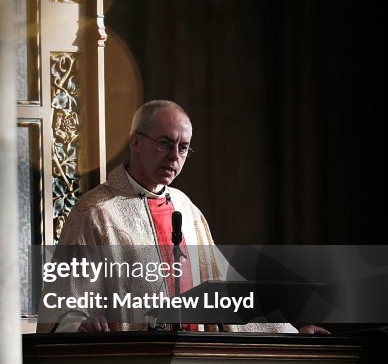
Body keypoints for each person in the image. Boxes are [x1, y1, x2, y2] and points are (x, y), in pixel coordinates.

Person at [39, 100, 327, 334]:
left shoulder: (186, 210)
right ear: (135, 142)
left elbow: (225, 291)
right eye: (165, 143)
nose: (174, 156)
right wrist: (76, 323)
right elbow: (64, 299)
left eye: (183, 147)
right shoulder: (96, 212)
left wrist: (291, 332)